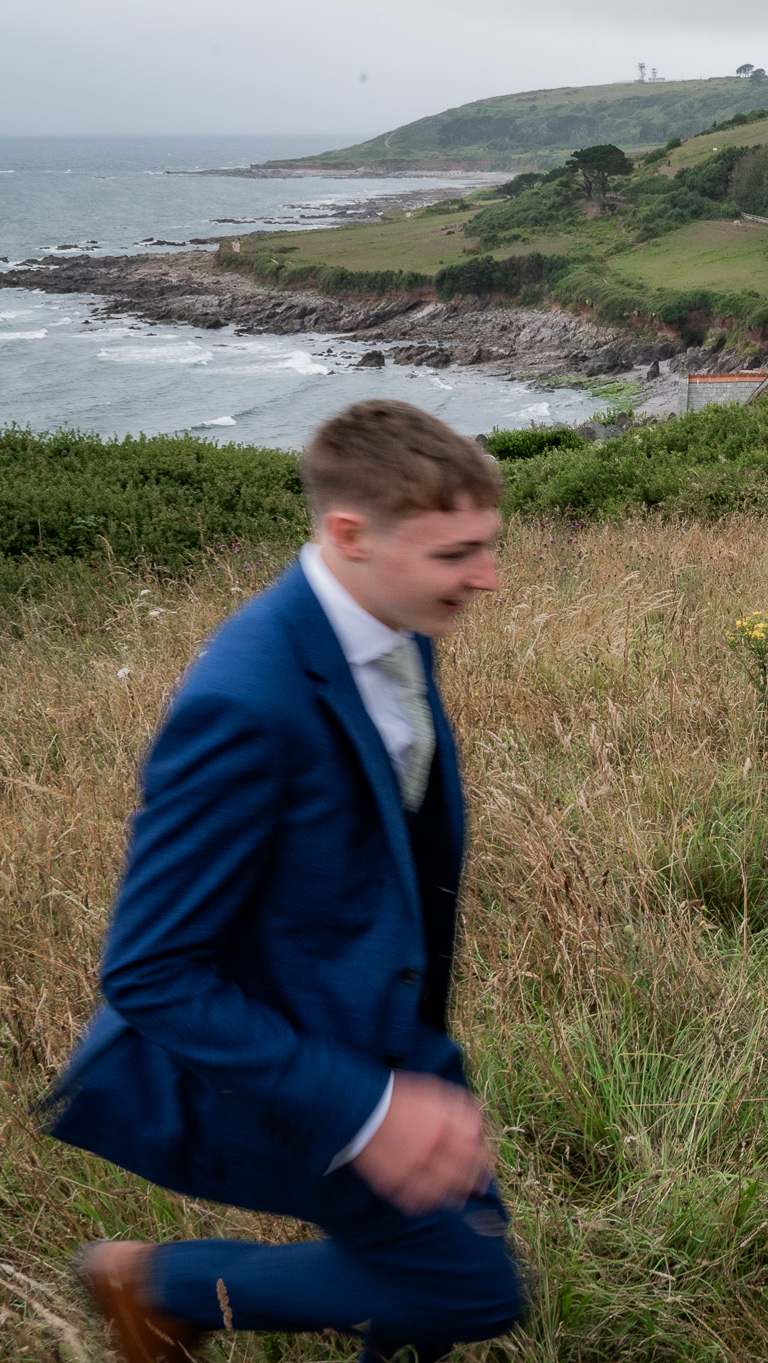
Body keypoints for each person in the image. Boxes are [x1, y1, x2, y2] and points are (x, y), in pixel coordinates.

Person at [43, 400, 522, 1363]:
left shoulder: (391, 612)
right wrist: (368, 1108)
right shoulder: (244, 703)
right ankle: (154, 1287)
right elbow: (149, 971)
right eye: (456, 553)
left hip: (389, 1036)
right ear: (349, 534)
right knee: (467, 1285)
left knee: (436, 1266)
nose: (486, 576)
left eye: (487, 545)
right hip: (302, 1067)